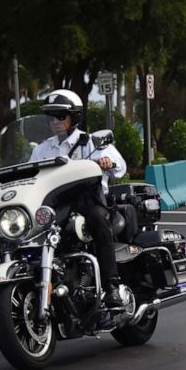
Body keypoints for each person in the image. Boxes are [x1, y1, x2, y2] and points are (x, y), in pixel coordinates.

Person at [29, 89, 128, 319]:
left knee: (96, 221)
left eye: (60, 117)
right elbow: (29, 175)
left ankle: (112, 286)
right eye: (51, 117)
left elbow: (120, 166)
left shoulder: (91, 143)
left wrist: (107, 161)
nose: (55, 122)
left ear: (74, 118)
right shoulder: (42, 149)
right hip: (57, 205)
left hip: (88, 201)